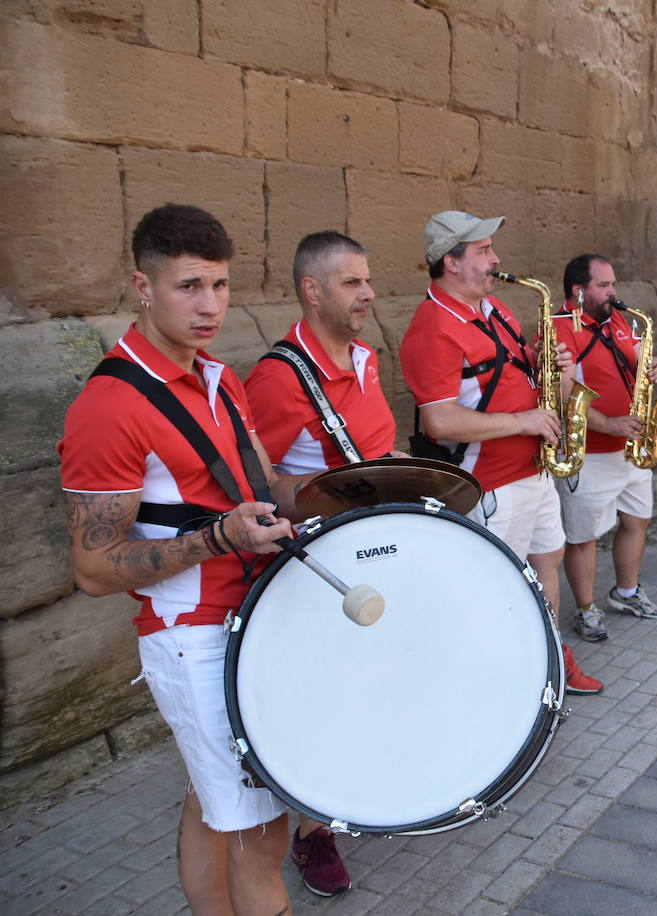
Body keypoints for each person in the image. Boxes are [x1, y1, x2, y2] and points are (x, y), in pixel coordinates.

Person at [59, 204, 298, 913]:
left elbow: (264, 486)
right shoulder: (109, 405)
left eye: (221, 287)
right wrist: (217, 540)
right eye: (189, 286)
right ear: (142, 285)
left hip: (251, 617)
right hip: (190, 637)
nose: (209, 306)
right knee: (261, 835)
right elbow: (94, 569)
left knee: (212, 802)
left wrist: (361, 486)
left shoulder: (221, 379)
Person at [244, 230, 396, 897]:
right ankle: (312, 831)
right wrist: (313, 499)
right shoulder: (278, 379)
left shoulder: (365, 357)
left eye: (367, 280)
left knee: (371, 678)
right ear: (312, 291)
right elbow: (255, 481)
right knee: (318, 698)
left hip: (378, 546)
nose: (368, 293)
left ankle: (364, 782)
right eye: (351, 283)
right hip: (319, 569)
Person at [399, 209, 602, 693]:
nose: (497, 260)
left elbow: (522, 376)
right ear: (450, 262)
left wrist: (554, 367)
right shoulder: (432, 329)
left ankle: (548, 656)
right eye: (484, 251)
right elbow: (440, 420)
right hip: (488, 484)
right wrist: (524, 420)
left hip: (533, 469)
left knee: (546, 561)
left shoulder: (497, 311)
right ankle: (497, 684)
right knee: (494, 586)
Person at [552, 254, 657, 642]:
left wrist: (653, 368)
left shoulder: (619, 320)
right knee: (583, 537)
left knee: (637, 520)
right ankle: (585, 610)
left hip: (630, 446)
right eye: (604, 285)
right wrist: (610, 423)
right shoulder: (558, 329)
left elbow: (638, 363)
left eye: (612, 283)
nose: (613, 292)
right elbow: (563, 397)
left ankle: (627, 592)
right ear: (578, 290)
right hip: (589, 452)